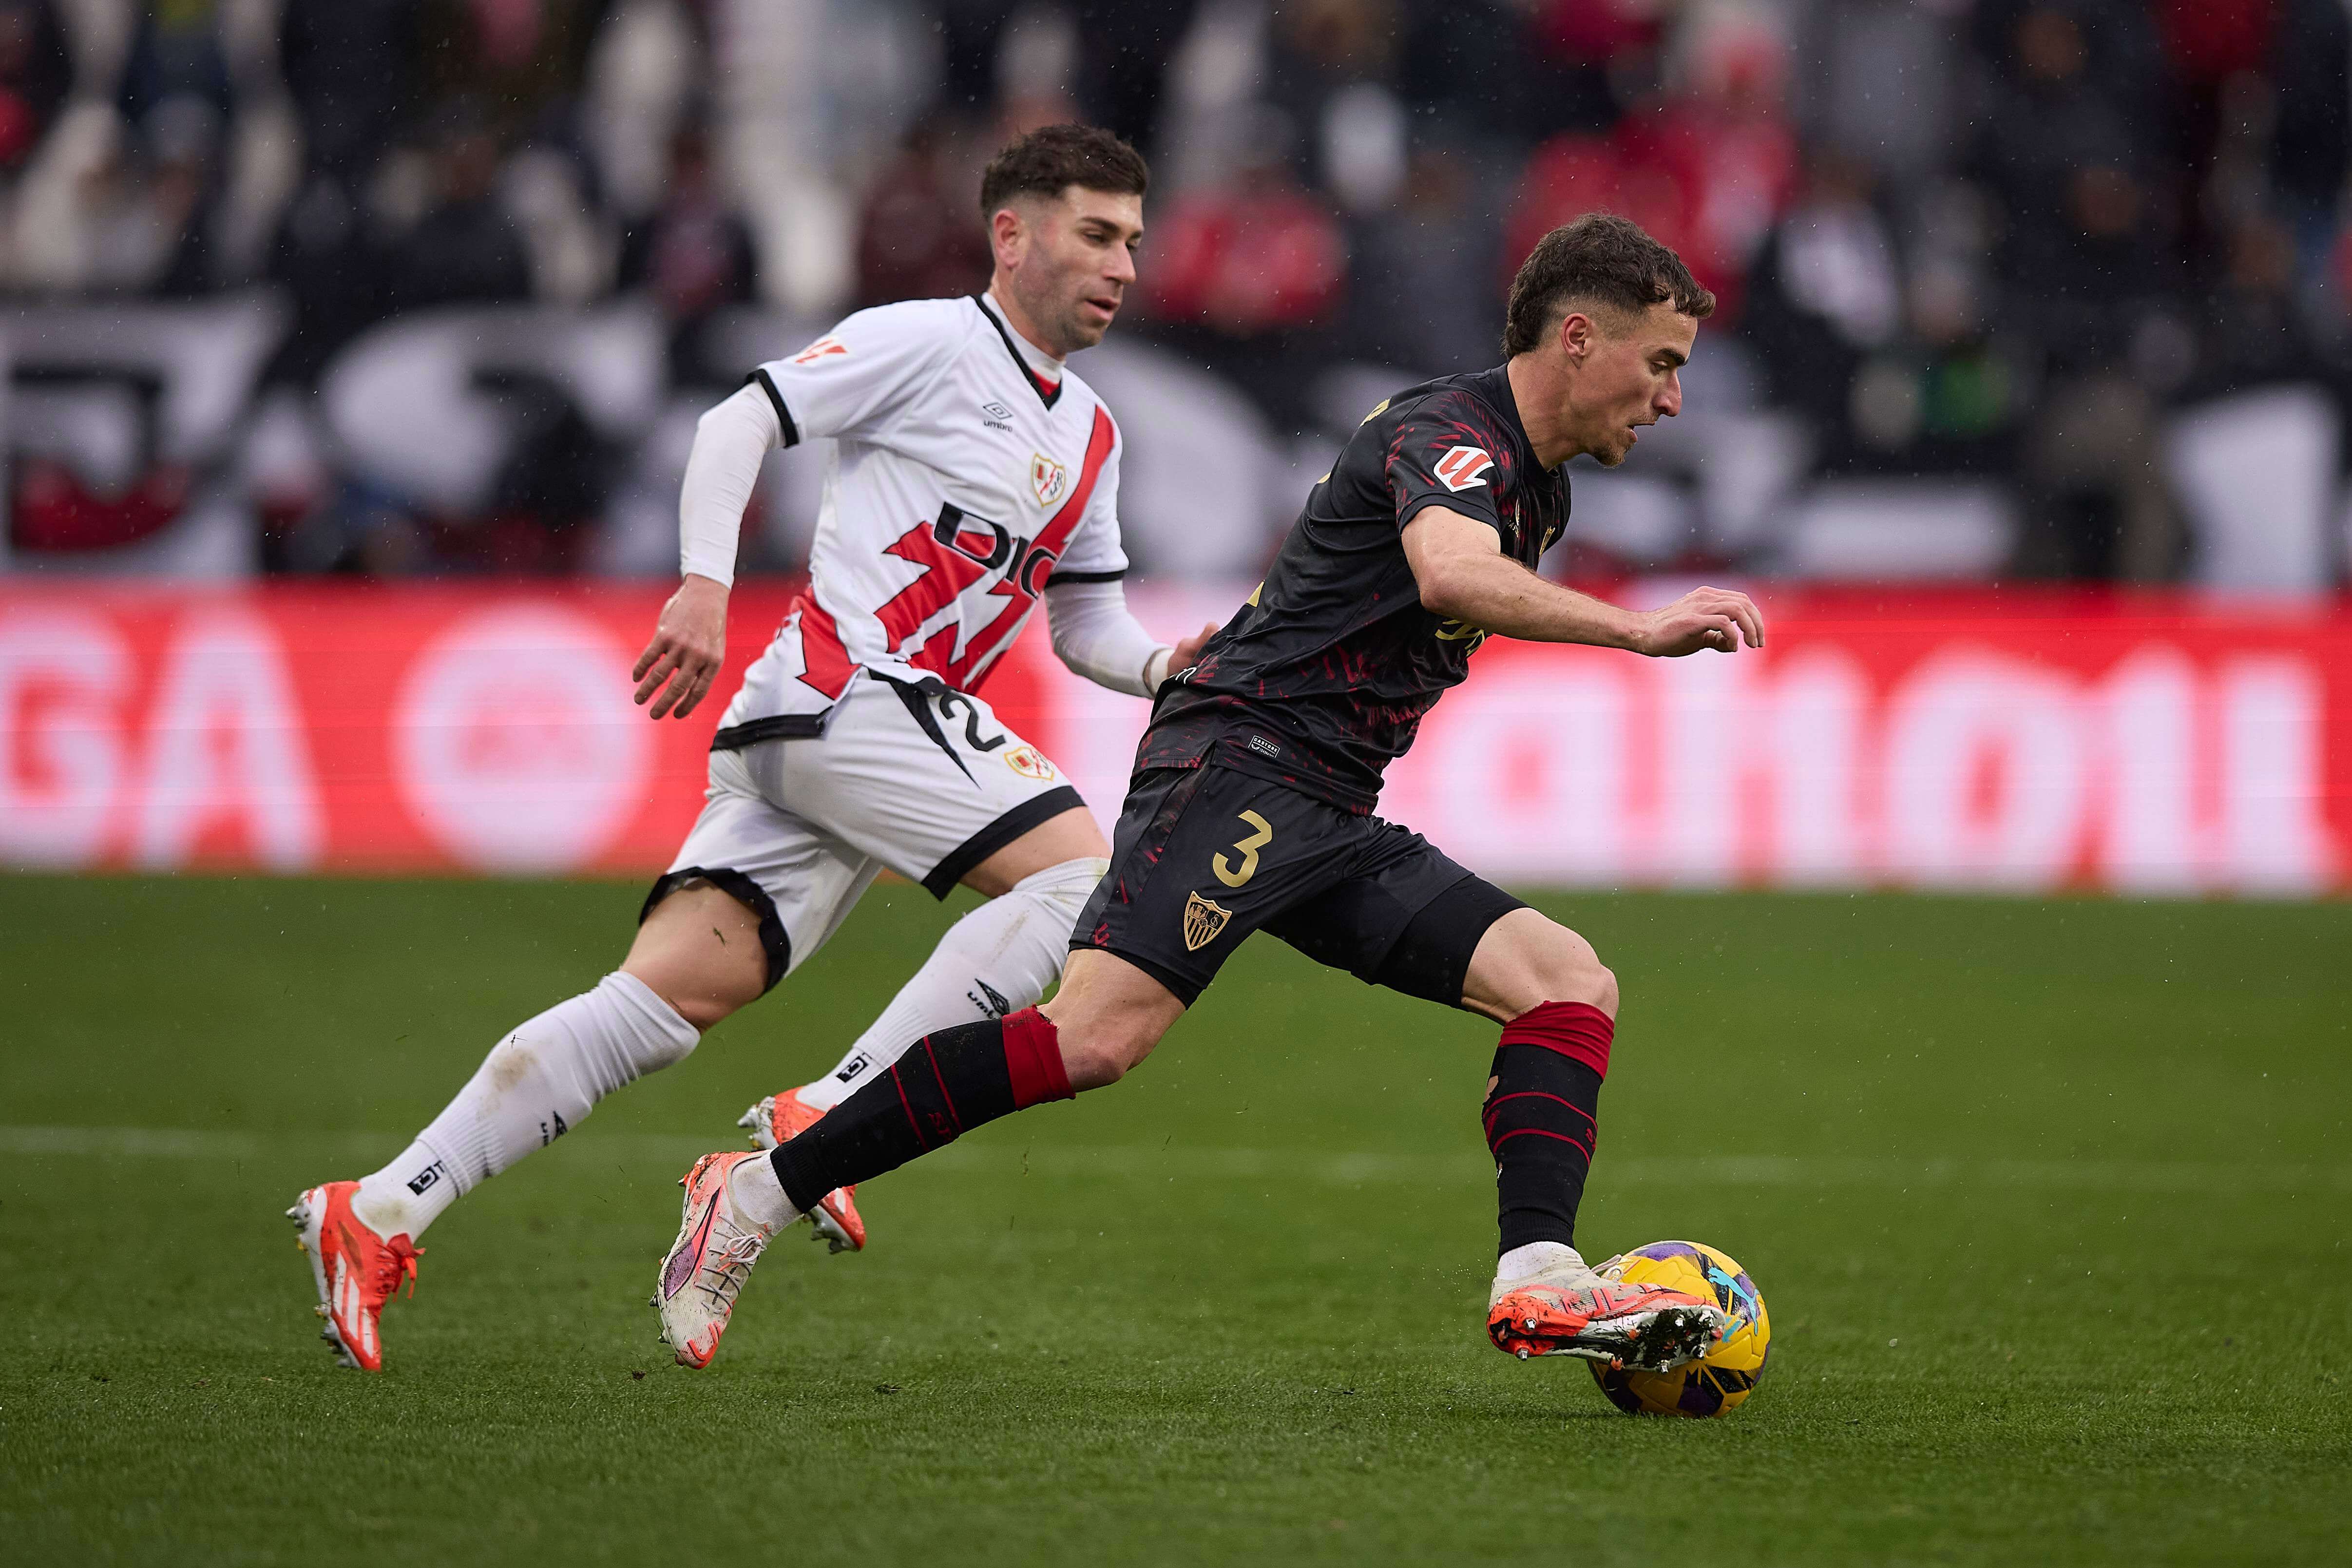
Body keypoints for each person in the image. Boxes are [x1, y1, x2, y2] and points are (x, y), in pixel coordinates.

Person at [654, 212, 1767, 1374]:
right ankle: (757, 1190)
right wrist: (1638, 629)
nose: (1672, 398)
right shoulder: (1451, 432)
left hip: (1327, 806)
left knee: (1565, 984)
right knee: (1090, 1040)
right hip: (1239, 762)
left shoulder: (1540, 490)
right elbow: (1450, 571)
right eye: (1663, 363)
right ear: (1579, 338)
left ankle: (1538, 1275)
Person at [290, 124, 1214, 1372]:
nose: (1124, 267)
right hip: (845, 698)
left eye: (1135, 244)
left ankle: (384, 1204)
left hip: (847, 744)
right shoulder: (927, 340)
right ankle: (826, 1115)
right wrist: (699, 585)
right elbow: (739, 422)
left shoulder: (1092, 433)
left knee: (663, 1004)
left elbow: (1086, 619)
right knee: (1073, 876)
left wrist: (1164, 666)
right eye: (1098, 235)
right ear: (1014, 233)